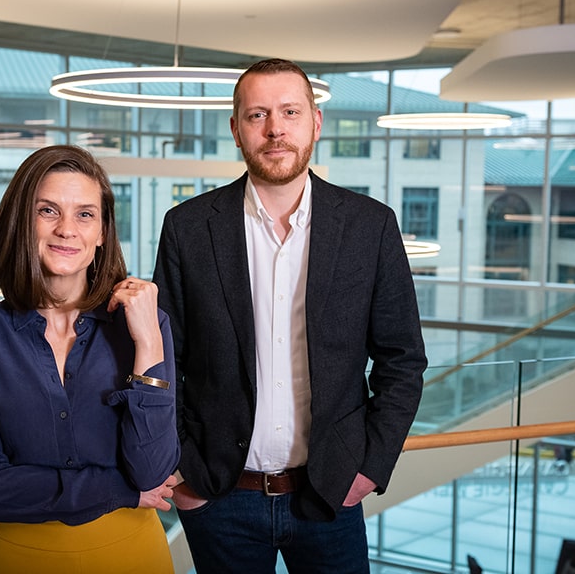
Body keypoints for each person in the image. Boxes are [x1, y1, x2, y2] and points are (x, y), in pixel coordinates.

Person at [152, 58, 427, 574]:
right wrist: (182, 467)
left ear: (315, 123)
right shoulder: (187, 228)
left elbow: (403, 360)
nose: (275, 129)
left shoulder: (371, 226)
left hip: (330, 493)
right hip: (218, 496)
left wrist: (370, 466)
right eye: (257, 115)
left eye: (289, 112)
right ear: (236, 129)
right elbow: (164, 361)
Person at [0, 145, 180, 574]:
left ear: (103, 232)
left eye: (85, 214)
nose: (67, 230)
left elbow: (151, 472)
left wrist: (148, 342)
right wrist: (116, 488)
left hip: (133, 555)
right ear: (22, 222)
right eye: (48, 211)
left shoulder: (145, 324)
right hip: (18, 558)